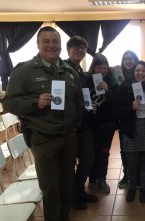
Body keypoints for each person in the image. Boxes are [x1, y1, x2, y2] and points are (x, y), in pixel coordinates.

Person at [3, 26, 84, 221]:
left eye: (55, 41)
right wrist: (35, 103)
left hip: (68, 138)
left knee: (67, 185)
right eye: (46, 41)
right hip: (43, 139)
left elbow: (79, 104)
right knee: (51, 189)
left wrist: (74, 127)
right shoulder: (24, 71)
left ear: (61, 46)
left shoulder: (70, 72)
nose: (51, 45)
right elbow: (9, 103)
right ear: (38, 44)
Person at [114, 60, 145, 203]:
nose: (140, 73)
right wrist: (130, 108)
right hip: (130, 129)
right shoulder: (125, 87)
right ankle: (132, 187)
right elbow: (117, 110)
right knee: (132, 163)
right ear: (133, 73)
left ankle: (143, 188)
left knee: (144, 161)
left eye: (144, 70)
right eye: (137, 70)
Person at [64, 36, 98, 209]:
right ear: (68, 49)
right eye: (76, 47)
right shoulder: (63, 69)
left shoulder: (80, 72)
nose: (80, 50)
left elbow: (82, 96)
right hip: (70, 127)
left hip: (84, 125)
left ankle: (79, 190)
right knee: (70, 164)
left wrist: (89, 106)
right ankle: (73, 195)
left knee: (87, 160)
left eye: (83, 48)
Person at [87, 53, 118, 193]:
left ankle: (102, 179)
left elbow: (117, 102)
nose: (102, 71)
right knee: (92, 153)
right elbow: (83, 99)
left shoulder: (111, 80)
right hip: (92, 123)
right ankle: (92, 180)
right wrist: (88, 107)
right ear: (93, 68)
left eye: (104, 68)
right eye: (99, 68)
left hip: (108, 124)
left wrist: (108, 90)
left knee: (105, 152)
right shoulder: (87, 80)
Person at [118, 50, 140, 188]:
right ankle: (127, 174)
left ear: (135, 60)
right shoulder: (118, 76)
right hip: (124, 117)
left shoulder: (140, 74)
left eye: (130, 58)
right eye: (125, 59)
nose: (128, 61)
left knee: (138, 149)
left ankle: (136, 176)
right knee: (124, 149)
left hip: (139, 117)